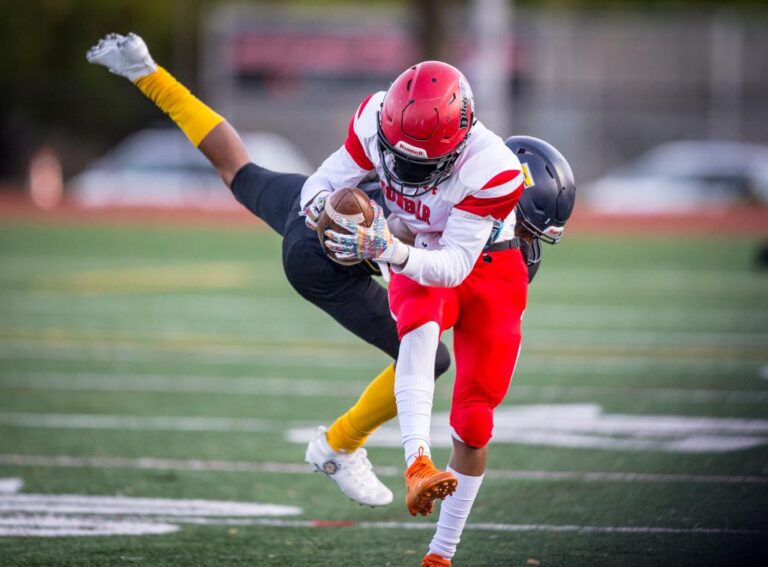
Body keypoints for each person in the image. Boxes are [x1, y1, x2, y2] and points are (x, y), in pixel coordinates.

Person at [86, 34, 576, 566]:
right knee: (431, 354)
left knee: (239, 172)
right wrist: (359, 227)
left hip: (331, 222)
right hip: (321, 264)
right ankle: (338, 446)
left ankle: (144, 70)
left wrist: (354, 218)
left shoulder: (476, 171)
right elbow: (414, 246)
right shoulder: (402, 145)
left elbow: (352, 205)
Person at [301, 61, 575, 566]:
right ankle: (417, 464)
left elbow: (451, 267)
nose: (404, 175)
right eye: (393, 157)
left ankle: (440, 555)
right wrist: (327, 215)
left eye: (421, 165)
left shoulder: (490, 169)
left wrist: (386, 248)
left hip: (473, 265)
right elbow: (317, 186)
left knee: (475, 420)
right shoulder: (371, 117)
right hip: (414, 245)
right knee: (420, 329)